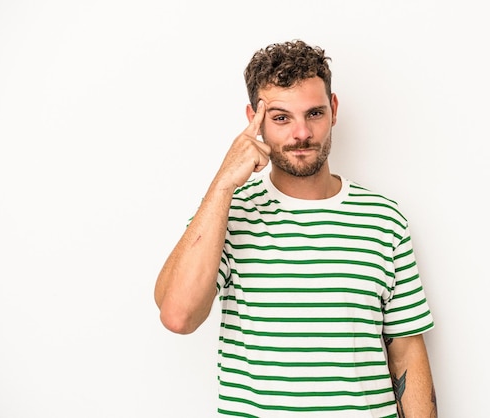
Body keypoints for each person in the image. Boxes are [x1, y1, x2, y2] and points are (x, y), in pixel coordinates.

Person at [154, 39, 437, 417]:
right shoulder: (227, 212)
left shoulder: (383, 219)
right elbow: (178, 315)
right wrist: (223, 183)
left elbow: (405, 350)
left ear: (333, 110)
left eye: (314, 114)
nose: (301, 133)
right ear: (254, 119)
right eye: (281, 117)